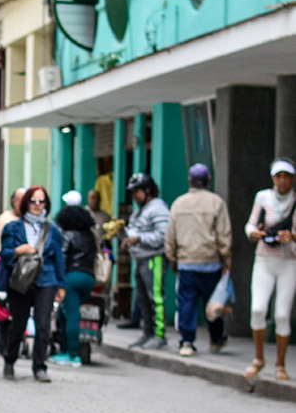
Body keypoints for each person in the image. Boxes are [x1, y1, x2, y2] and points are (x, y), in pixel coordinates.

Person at [0, 185, 65, 382]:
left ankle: (40, 366)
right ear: (26, 203)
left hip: (46, 280)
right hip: (20, 282)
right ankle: (9, 360)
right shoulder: (12, 228)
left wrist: (61, 285)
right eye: (33, 201)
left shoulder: (52, 230)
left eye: (41, 201)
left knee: (43, 325)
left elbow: (59, 258)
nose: (37, 205)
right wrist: (19, 250)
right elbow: (4, 254)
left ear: (46, 204)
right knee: (18, 325)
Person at [165, 163, 232, 357]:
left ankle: (186, 341)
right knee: (213, 301)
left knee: (187, 302)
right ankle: (216, 339)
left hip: (187, 262)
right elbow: (224, 234)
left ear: (190, 180)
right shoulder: (216, 203)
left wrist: (173, 258)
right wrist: (226, 257)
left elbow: (170, 236)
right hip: (211, 261)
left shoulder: (179, 203)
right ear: (208, 179)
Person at [243, 157, 296, 380]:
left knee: (282, 314)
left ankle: (280, 364)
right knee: (257, 309)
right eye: (278, 176)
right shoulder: (263, 197)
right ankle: (258, 358)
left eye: (287, 177)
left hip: (288, 261)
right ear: (273, 178)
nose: (282, 181)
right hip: (264, 259)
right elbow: (251, 224)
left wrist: (291, 236)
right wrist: (253, 233)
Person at [121, 172, 170, 349]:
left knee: (155, 297)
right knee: (142, 299)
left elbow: (163, 236)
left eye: (136, 192)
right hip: (140, 259)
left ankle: (159, 335)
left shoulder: (158, 208)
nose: (134, 196)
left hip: (153, 259)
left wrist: (139, 239)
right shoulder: (141, 210)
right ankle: (147, 332)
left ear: (147, 190)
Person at [50, 192, 97, 367]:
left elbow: (61, 258)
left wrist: (58, 280)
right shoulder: (89, 235)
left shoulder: (66, 235)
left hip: (72, 277)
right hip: (88, 277)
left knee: (71, 314)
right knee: (65, 313)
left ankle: (73, 354)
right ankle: (64, 350)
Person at [0, 188, 25, 256]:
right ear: (13, 201)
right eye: (20, 200)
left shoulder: (29, 221)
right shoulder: (3, 220)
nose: (22, 204)